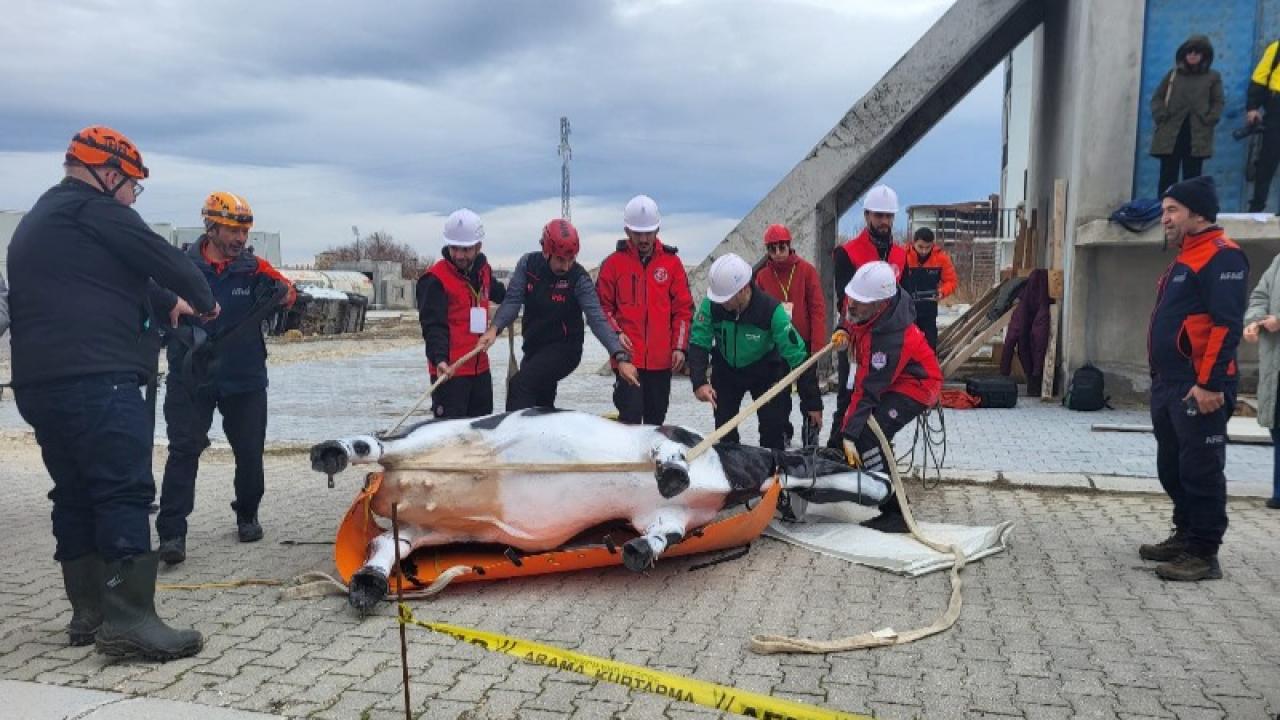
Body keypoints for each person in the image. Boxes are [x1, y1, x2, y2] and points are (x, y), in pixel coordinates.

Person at [8, 126, 216, 660]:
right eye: (132, 187)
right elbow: (162, 258)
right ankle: (130, 622)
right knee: (123, 489)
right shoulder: (98, 211)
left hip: (39, 385)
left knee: (74, 491)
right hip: (101, 379)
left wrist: (163, 301)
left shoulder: (37, 223)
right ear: (108, 173)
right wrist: (200, 297)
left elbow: (105, 275)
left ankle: (89, 613)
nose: (131, 198)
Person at [155, 192, 296, 566]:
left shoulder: (254, 266)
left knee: (250, 453)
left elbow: (288, 291)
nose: (239, 238)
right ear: (211, 226)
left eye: (244, 231)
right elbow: (153, 300)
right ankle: (172, 533)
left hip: (244, 376)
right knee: (183, 451)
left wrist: (282, 296)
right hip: (192, 375)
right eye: (232, 230)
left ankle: (247, 515)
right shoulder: (179, 266)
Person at [1143, 175, 1248, 581]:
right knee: (1172, 467)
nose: (1164, 218)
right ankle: (1184, 533)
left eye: (1172, 210)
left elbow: (1226, 326)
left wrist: (1209, 385)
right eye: (1165, 210)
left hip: (1197, 385)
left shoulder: (1223, 256)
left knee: (1201, 470)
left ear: (1198, 213)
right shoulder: (1185, 256)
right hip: (1168, 382)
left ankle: (1204, 553)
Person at [479, 219, 639, 409]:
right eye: (560, 259)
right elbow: (512, 301)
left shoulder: (579, 279)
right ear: (546, 251)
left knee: (520, 386)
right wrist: (494, 329)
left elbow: (597, 320)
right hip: (534, 347)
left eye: (571, 260)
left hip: (565, 349)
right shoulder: (528, 264)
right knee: (542, 398)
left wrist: (620, 356)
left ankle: (514, 436)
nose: (566, 266)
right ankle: (542, 435)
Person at [832, 261, 942, 533]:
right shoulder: (868, 307)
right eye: (852, 298)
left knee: (870, 434)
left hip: (917, 385)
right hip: (895, 378)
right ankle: (861, 483)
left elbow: (868, 389)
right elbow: (852, 315)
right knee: (855, 427)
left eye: (860, 301)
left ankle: (895, 512)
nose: (852, 305)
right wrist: (843, 328)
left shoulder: (891, 339)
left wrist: (849, 433)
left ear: (881, 304)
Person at [688, 253, 821, 450]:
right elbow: (699, 341)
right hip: (726, 369)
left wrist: (812, 404)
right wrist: (699, 382)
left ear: (743, 289)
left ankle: (771, 470)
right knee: (724, 428)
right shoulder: (711, 305)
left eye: (726, 298)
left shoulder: (772, 312)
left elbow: (799, 357)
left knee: (773, 429)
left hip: (765, 370)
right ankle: (731, 467)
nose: (721, 303)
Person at [596, 195, 692, 425]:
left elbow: (683, 310)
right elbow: (601, 309)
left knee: (655, 422)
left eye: (648, 232)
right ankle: (628, 461)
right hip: (628, 360)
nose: (643, 238)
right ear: (627, 231)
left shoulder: (672, 264)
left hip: (662, 362)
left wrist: (680, 347)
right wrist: (617, 334)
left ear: (657, 229)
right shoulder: (613, 264)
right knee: (629, 418)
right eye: (638, 233)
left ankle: (650, 462)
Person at [828, 184, 907, 448]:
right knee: (848, 395)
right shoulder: (847, 253)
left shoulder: (901, 255)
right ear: (867, 216)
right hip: (855, 336)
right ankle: (836, 448)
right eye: (878, 215)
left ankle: (873, 449)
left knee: (881, 397)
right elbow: (844, 300)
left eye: (889, 216)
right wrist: (846, 330)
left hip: (889, 340)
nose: (884, 222)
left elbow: (904, 301)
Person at [417, 209, 505, 419]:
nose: (459, 255)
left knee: (481, 436)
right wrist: (439, 360)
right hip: (450, 373)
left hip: (480, 370)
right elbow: (433, 327)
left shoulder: (484, 272)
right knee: (449, 438)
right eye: (454, 248)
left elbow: (504, 295)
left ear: (478, 247)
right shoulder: (434, 280)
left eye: (465, 250)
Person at [752, 223, 826, 446]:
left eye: (781, 247)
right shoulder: (763, 276)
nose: (777, 253)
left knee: (809, 388)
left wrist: (818, 345)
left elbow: (817, 308)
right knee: (778, 393)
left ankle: (811, 430)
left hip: (802, 341)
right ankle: (782, 430)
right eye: (772, 249)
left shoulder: (806, 270)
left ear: (789, 246)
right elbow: (757, 312)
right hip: (775, 345)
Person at [1149, 35, 1223, 197]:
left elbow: (1218, 102)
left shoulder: (1213, 77)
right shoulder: (1173, 75)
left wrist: (1210, 119)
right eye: (1189, 51)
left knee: (1192, 177)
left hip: (1197, 134)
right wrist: (1161, 115)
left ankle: (1190, 211)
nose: (1192, 55)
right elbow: (1157, 98)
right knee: (1168, 175)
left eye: (1197, 52)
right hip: (1171, 132)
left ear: (1205, 55)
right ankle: (1165, 209)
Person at [1243, 251, 1280, 509]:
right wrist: (1255, 321)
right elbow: (1259, 296)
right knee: (1277, 425)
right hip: (1274, 363)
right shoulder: (1279, 262)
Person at [901, 227, 958, 349]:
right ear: (913, 243)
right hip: (906, 311)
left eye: (928, 247)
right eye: (920, 247)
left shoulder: (942, 258)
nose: (924, 251)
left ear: (932, 245)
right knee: (907, 347)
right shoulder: (902, 256)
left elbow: (951, 281)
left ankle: (928, 367)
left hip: (929, 311)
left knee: (929, 346)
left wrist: (942, 292)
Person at [1247, 39, 1280, 212]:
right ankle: (1256, 209)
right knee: (1267, 163)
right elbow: (1259, 78)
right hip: (1276, 112)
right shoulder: (1277, 48)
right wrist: (1252, 107)